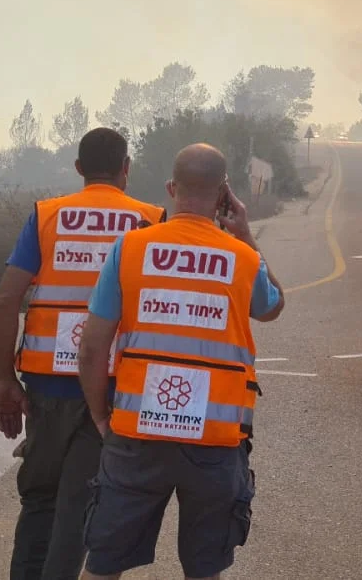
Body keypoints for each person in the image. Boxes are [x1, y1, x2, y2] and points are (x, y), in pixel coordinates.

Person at [76, 143, 286, 580]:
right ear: (225, 193)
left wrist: (100, 417)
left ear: (171, 188)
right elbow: (272, 307)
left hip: (136, 435)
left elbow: (93, 347)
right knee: (204, 570)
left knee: (103, 565)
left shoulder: (130, 248)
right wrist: (245, 234)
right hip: (215, 440)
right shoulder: (242, 258)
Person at [0, 127, 166, 580]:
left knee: (40, 499)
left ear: (78, 169)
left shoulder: (48, 216)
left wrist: (5, 380)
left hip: (46, 388)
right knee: (77, 507)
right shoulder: (150, 220)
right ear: (126, 169)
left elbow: (7, 299)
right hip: (111, 388)